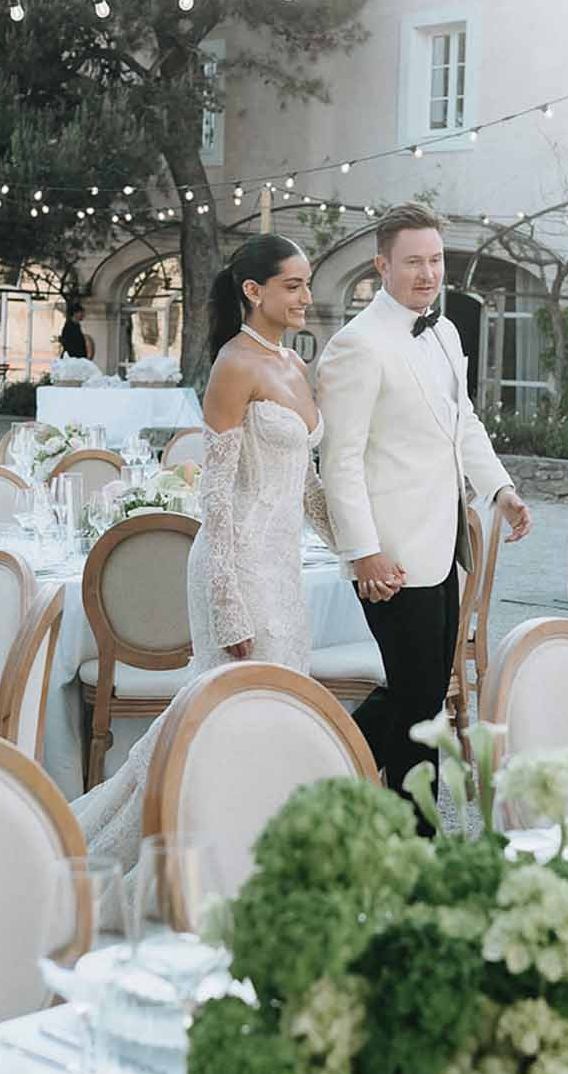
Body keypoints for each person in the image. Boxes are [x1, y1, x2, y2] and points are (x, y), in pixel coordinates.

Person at [69, 234, 332, 865]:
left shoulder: (295, 366)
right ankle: (187, 859)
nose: (305, 297)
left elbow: (306, 484)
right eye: (292, 285)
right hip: (235, 567)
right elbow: (215, 503)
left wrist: (356, 548)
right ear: (254, 291)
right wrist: (229, 605)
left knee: (276, 715)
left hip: (282, 569)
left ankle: (257, 858)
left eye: (306, 283)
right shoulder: (233, 366)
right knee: (229, 719)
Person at [316, 203, 531, 825]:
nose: (427, 273)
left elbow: (463, 425)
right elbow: (341, 460)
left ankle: (326, 778)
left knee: (426, 696)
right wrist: (363, 551)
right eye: (413, 262)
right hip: (390, 553)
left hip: (443, 547)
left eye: (435, 261)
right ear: (382, 265)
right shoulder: (357, 344)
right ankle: (409, 836)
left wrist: (500, 490)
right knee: (417, 705)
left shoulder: (445, 331)